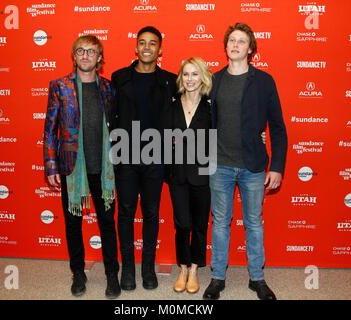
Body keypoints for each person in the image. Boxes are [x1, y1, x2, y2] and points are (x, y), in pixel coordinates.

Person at [203, 22, 288, 300]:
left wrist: (277, 166)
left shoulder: (264, 81)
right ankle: (217, 278)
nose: (236, 45)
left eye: (241, 41)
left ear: (250, 49)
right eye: (232, 41)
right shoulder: (213, 80)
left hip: (253, 166)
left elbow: (277, 126)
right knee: (220, 222)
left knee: (253, 222)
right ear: (226, 46)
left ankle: (257, 278)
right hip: (220, 165)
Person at [43, 35, 120, 299]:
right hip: (73, 168)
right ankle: (78, 272)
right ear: (74, 55)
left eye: (91, 51)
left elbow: (117, 128)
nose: (86, 55)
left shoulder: (109, 88)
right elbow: (50, 129)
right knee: (73, 223)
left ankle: (112, 274)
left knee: (108, 223)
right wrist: (51, 165)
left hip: (104, 168)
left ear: (100, 58)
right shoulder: (60, 86)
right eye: (80, 51)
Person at [111, 26, 177, 291]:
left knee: (151, 213)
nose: (147, 47)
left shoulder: (171, 80)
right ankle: (128, 269)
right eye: (142, 43)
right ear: (135, 47)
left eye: (153, 43)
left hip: (156, 158)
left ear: (160, 49)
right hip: (125, 156)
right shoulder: (118, 78)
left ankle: (147, 268)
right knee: (125, 213)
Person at [166, 57, 212, 294]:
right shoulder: (172, 104)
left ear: (202, 77)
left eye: (195, 74)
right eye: (186, 74)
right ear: (180, 77)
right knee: (182, 224)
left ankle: (194, 269)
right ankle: (182, 267)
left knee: (199, 225)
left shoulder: (211, 106)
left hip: (203, 175)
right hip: (178, 174)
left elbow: (220, 138)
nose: (190, 79)